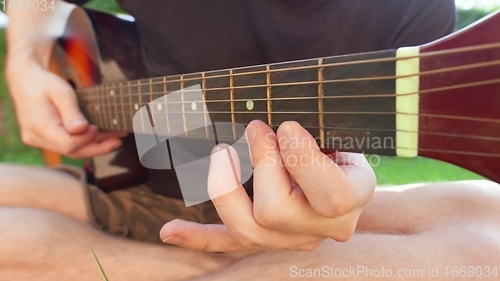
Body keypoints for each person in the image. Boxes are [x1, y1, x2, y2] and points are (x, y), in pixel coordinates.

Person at [2, 0, 499, 280]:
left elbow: (353, 148)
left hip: (271, 202)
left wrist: (340, 187)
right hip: (126, 180)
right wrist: (27, 55)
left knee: (487, 239)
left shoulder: (417, 13)